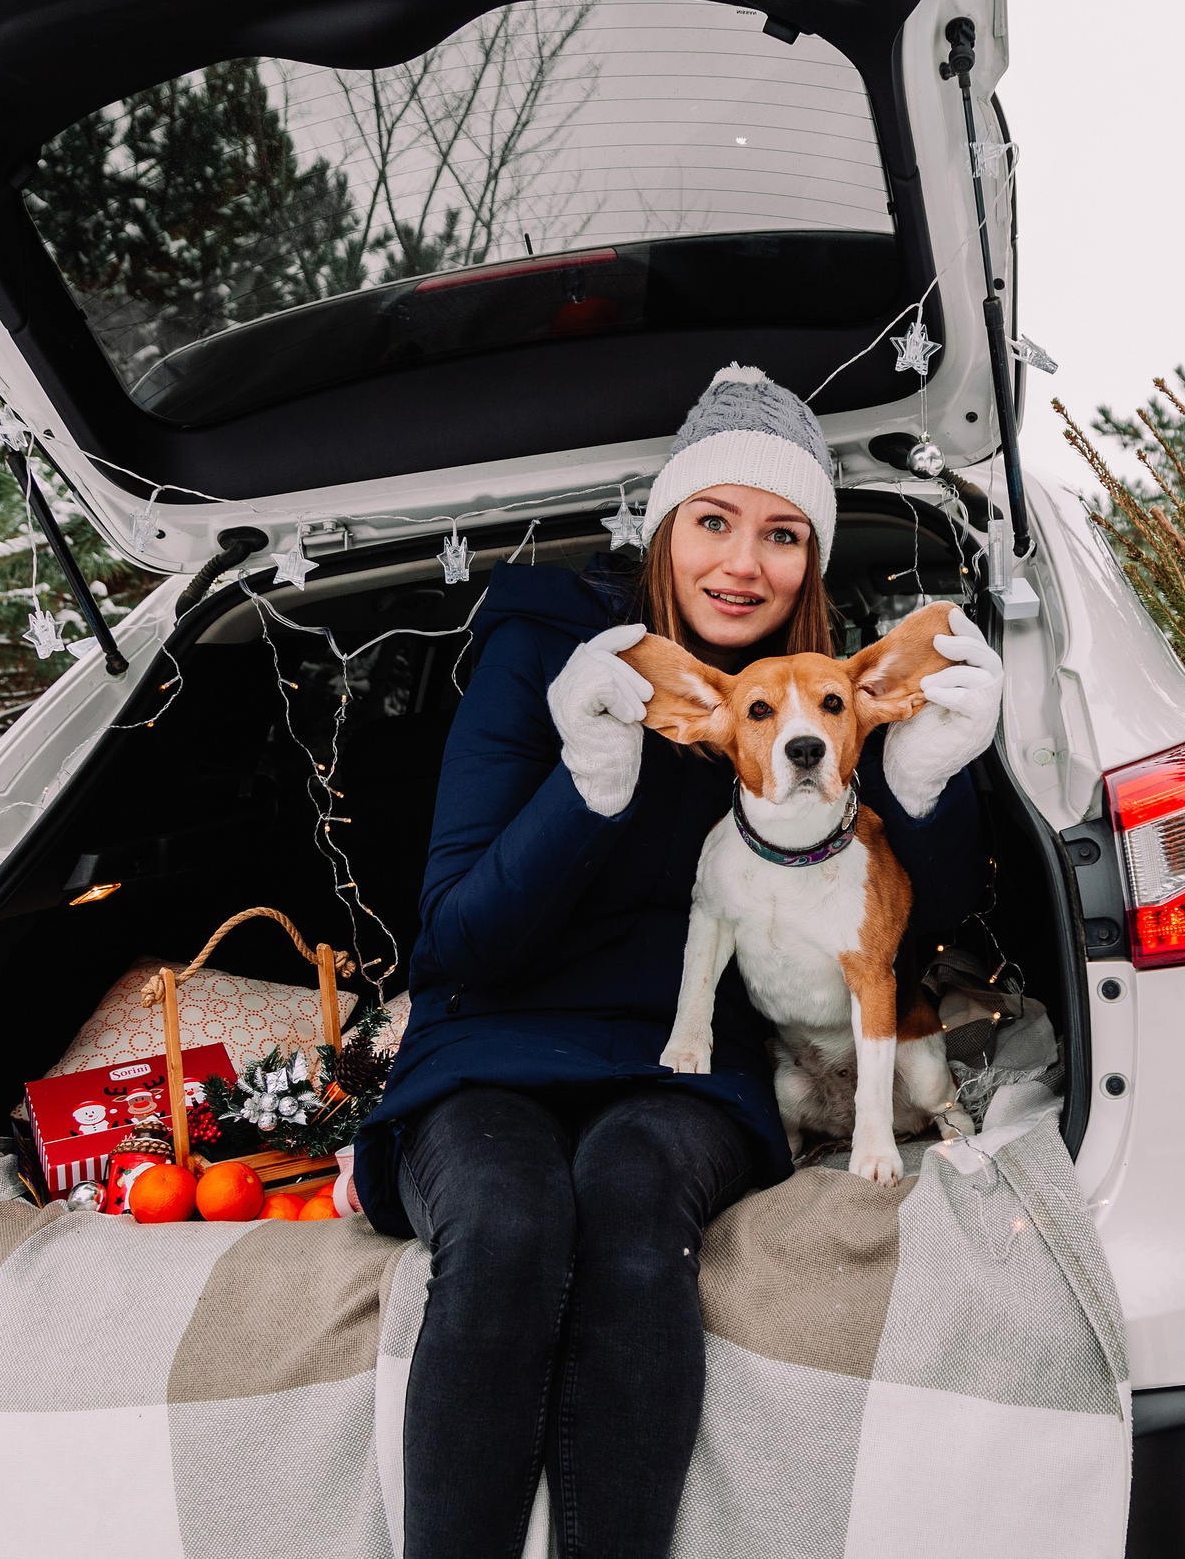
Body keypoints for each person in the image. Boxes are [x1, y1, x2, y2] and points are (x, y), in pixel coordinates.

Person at [352, 364, 1003, 1559]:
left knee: (633, 1204)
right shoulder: (546, 650)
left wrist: (923, 780)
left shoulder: (816, 701)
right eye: (713, 521)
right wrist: (589, 783)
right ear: (663, 530)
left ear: (811, 560)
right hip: (493, 1043)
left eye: (783, 534)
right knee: (506, 1223)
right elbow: (458, 940)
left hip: (686, 1063)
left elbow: (919, 926)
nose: (743, 564)